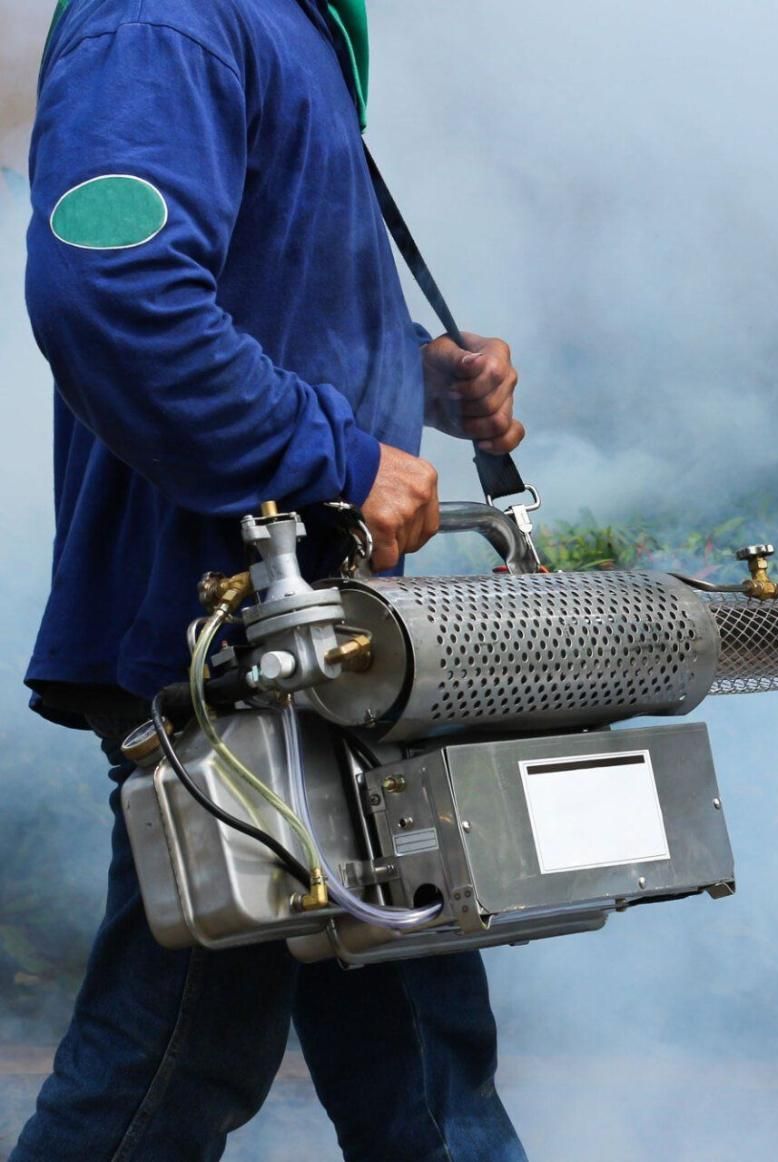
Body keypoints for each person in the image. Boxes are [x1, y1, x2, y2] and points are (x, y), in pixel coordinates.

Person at [13, 0, 529, 1157]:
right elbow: (115, 296)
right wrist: (337, 455)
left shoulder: (276, 18)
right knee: (171, 1067)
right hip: (240, 651)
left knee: (423, 1065)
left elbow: (258, 300)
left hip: (314, 647)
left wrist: (410, 368)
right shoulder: (166, 17)